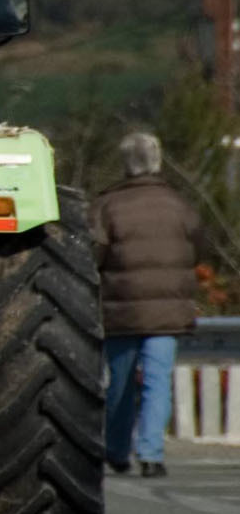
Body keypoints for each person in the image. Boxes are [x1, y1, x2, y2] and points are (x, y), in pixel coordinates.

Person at [93, 131, 207, 477]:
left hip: (122, 309)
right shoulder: (179, 204)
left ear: (126, 163)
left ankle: (116, 450)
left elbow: (92, 253)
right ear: (157, 162)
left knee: (121, 384)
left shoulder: (107, 205)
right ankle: (151, 454)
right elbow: (199, 248)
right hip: (167, 311)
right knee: (158, 381)